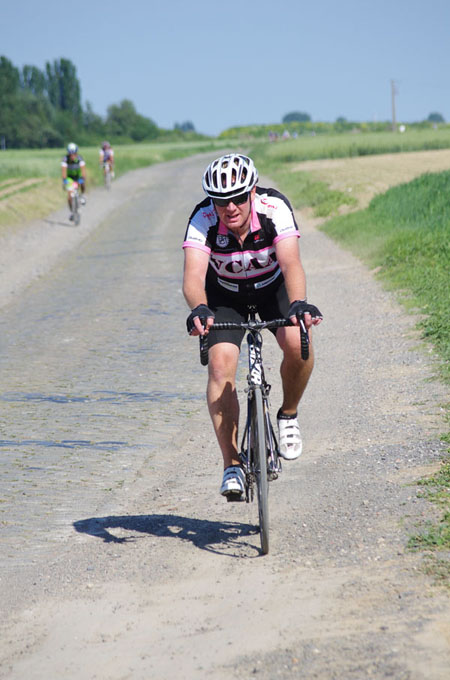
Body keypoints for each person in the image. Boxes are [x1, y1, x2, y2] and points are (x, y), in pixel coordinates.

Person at [182, 154, 322, 499]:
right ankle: (231, 464)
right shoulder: (202, 218)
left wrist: (299, 302)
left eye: (238, 198)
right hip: (224, 297)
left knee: (298, 343)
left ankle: (288, 414)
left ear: (252, 192)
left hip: (272, 290)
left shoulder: (274, 208)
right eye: (220, 200)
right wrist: (199, 307)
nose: (230, 207)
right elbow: (193, 276)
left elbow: (291, 262)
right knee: (220, 366)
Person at [61, 143, 86, 220]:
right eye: (70, 154)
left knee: (83, 183)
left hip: (78, 176)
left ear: (76, 153)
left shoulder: (80, 158)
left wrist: (82, 178)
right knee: (69, 197)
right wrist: (64, 180)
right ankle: (72, 212)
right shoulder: (65, 159)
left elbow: (83, 171)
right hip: (70, 178)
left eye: (74, 154)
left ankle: (82, 195)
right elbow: (64, 171)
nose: (72, 156)